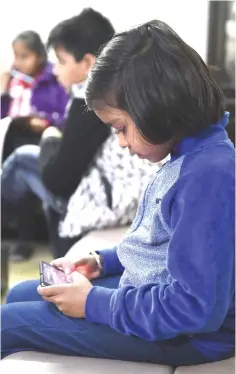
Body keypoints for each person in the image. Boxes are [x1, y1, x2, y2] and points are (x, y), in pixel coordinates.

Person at [1, 20, 235, 366]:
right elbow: (161, 245)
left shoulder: (209, 175)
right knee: (24, 291)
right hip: (168, 311)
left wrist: (93, 304)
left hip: (191, 338)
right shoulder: (191, 155)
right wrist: (101, 262)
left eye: (121, 128)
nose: (121, 143)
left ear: (158, 105)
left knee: (6, 325)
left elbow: (194, 310)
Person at [1, 8, 114, 260]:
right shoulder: (108, 91)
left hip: (88, 199)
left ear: (87, 63)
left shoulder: (88, 102)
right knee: (21, 156)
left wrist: (50, 137)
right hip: (88, 183)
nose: (57, 70)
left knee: (20, 160)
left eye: (62, 62)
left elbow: (58, 182)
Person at [0, 30, 69, 161]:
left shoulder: (54, 80)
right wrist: (3, 92)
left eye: (24, 56)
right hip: (12, 141)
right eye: (16, 56)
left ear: (39, 56)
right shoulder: (13, 80)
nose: (18, 62)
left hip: (40, 142)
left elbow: (64, 117)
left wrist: (46, 122)